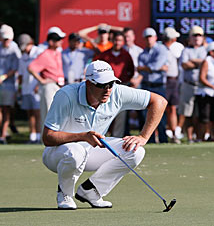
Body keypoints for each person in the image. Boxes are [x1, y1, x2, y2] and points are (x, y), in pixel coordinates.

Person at [41, 60, 167, 209]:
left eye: (111, 84)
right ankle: (65, 194)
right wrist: (82, 136)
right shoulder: (66, 95)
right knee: (76, 152)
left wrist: (143, 137)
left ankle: (92, 191)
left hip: (92, 151)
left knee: (136, 150)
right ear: (88, 84)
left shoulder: (117, 92)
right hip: (57, 153)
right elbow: (48, 137)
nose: (107, 89)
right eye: (101, 85)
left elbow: (159, 101)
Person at [95, 31, 135, 138]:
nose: (118, 43)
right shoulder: (105, 55)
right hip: (106, 87)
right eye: (116, 40)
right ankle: (100, 137)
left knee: (120, 115)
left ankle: (116, 138)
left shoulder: (126, 55)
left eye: (120, 41)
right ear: (112, 41)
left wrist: (126, 81)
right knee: (103, 112)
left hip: (121, 86)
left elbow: (131, 70)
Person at [28, 32, 66, 133]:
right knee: (49, 112)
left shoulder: (57, 53)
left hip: (59, 85)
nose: (60, 42)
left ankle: (56, 135)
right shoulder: (45, 54)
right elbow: (31, 68)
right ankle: (47, 136)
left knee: (58, 112)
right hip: (49, 86)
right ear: (51, 42)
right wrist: (41, 80)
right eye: (58, 40)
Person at [136, 28, 169, 143]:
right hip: (146, 85)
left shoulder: (161, 49)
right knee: (146, 114)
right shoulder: (143, 53)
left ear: (155, 37)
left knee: (160, 114)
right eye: (147, 37)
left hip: (158, 85)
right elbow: (141, 69)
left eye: (151, 37)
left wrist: (148, 68)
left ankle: (163, 139)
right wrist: (152, 68)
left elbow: (155, 66)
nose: (149, 39)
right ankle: (149, 140)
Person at [179, 26, 207, 143]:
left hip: (201, 86)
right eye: (194, 35)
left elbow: (206, 63)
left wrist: (194, 61)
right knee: (188, 113)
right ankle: (190, 137)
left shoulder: (205, 50)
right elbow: (185, 65)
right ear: (190, 38)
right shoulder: (186, 50)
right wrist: (198, 63)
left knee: (200, 114)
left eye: (199, 35)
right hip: (188, 84)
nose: (197, 38)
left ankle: (199, 137)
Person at [196, 41, 214, 141]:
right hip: (205, 94)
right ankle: (200, 138)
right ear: (212, 52)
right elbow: (202, 78)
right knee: (204, 118)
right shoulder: (206, 61)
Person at [18, 34, 43, 143]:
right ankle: (32, 135)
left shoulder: (39, 52)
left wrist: (39, 84)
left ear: (30, 43)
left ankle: (39, 135)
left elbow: (43, 70)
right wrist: (20, 87)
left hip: (36, 87)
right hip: (26, 88)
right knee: (30, 112)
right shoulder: (22, 56)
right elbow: (21, 74)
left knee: (37, 112)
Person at [162, 27, 184, 143]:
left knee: (173, 108)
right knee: (161, 108)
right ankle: (160, 133)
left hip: (174, 81)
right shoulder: (161, 49)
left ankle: (174, 134)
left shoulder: (176, 48)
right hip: (163, 81)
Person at [0, 25, 20, 144]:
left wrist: (4, 76)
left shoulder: (14, 48)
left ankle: (3, 135)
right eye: (4, 38)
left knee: (7, 110)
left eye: (8, 39)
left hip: (9, 84)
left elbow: (15, 68)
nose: (6, 41)